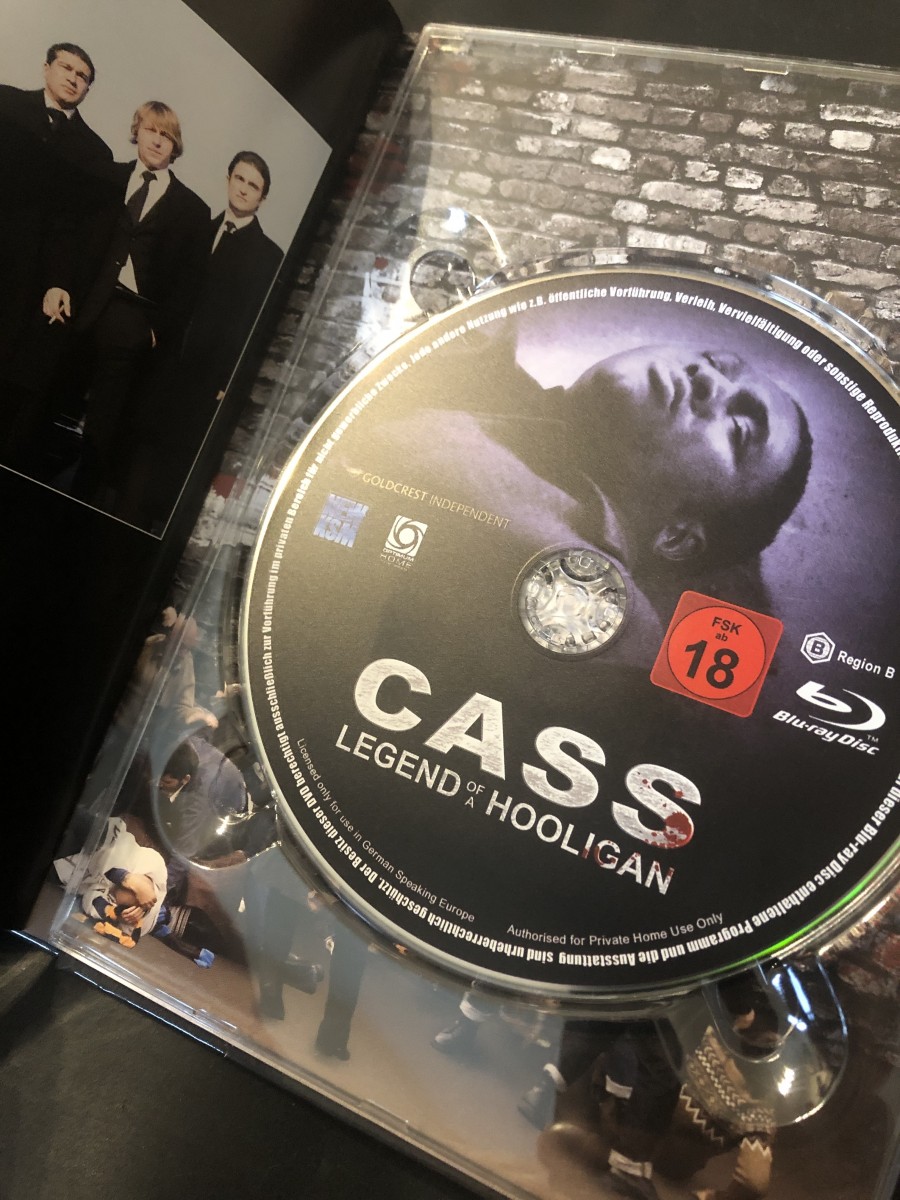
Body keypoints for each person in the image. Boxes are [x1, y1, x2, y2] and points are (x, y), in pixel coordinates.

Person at [41, 100, 209, 507]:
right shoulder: (107, 176)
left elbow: (190, 285)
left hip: (133, 320)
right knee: (50, 402)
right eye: (151, 130)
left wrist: (155, 331)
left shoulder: (192, 209)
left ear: (175, 146)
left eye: (166, 135)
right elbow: (70, 234)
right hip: (81, 307)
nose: (157, 141)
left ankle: (76, 506)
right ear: (137, 132)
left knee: (103, 424)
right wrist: (58, 284)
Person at [116, 151, 283, 528]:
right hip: (165, 365)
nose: (243, 189)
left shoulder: (269, 257)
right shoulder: (200, 229)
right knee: (137, 460)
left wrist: (228, 380)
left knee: (173, 472)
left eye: (253, 185)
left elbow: (255, 328)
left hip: (208, 381)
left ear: (262, 198)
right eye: (239, 179)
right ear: (228, 180)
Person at [0, 43, 112, 459]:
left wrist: (57, 282)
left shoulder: (95, 152)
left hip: (28, 274)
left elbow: (75, 230)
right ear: (46, 68)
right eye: (66, 68)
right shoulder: (6, 103)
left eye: (83, 76)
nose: (73, 79)